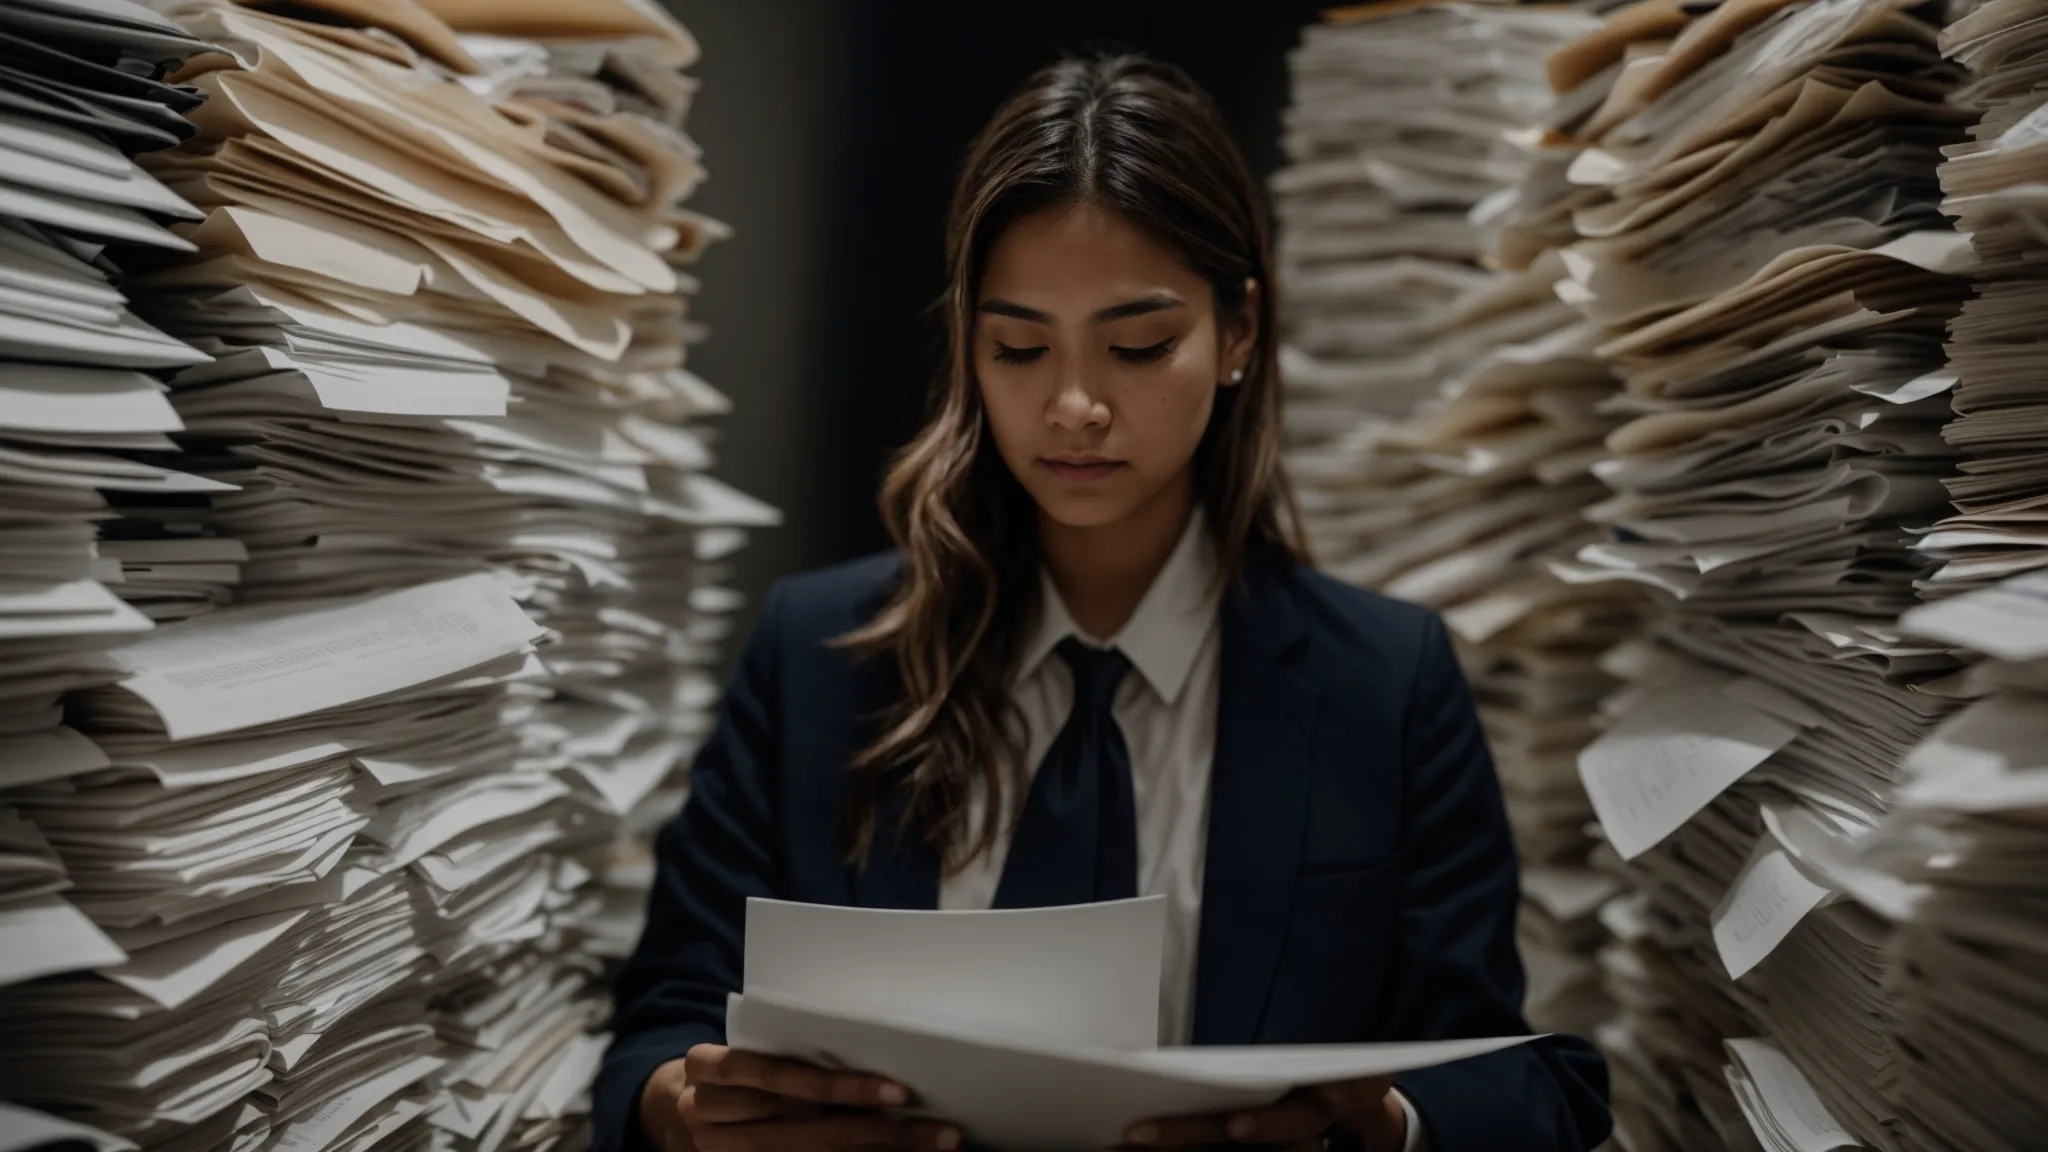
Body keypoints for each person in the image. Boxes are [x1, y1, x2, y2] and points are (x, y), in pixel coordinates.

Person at [594, 52, 1610, 1152]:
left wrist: (1378, 1125)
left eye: (1136, 346)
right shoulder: (818, 655)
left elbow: (1520, 1084)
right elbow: (659, 1031)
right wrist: (687, 1112)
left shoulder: (1383, 680)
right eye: (1017, 348)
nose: (1072, 406)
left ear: (1237, 335)